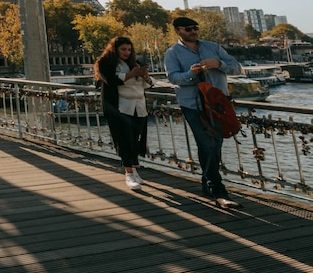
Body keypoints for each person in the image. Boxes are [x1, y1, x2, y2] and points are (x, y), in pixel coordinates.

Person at [164, 16, 242, 208]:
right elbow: (173, 78)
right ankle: (217, 189)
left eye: (195, 28)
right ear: (178, 31)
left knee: (216, 143)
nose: (193, 31)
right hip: (193, 105)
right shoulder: (172, 53)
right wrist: (192, 74)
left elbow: (237, 67)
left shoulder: (213, 47)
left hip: (218, 104)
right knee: (206, 143)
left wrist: (219, 64)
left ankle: (208, 182)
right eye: (188, 29)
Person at [95, 36, 151, 190]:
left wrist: (146, 77)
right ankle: (129, 172)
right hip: (118, 106)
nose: (127, 52)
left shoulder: (135, 63)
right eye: (123, 49)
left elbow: (145, 85)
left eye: (129, 49)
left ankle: (134, 168)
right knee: (123, 138)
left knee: (136, 138)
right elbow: (111, 80)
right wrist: (132, 74)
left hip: (138, 105)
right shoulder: (105, 63)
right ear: (115, 49)